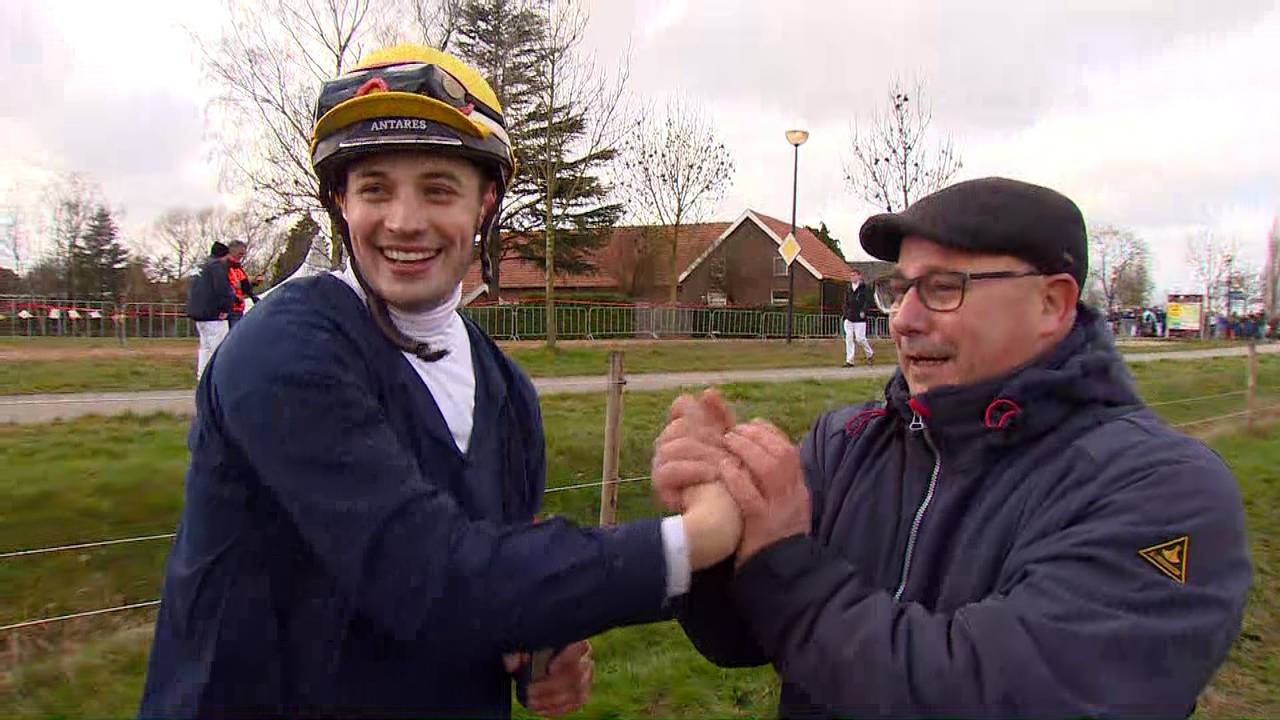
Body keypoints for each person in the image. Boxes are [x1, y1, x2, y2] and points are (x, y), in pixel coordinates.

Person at [140, 44, 743, 718]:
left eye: (438, 188)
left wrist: (537, 650)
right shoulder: (280, 352)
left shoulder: (508, 393)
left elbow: (497, 581)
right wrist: (698, 538)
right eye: (374, 188)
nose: (404, 221)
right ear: (340, 200)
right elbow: (429, 576)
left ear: (486, 202)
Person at [653, 177, 1251, 718]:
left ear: (1052, 304)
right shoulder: (846, 443)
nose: (903, 320)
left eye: (943, 288)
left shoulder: (1162, 492)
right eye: (898, 290)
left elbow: (985, 692)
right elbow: (740, 637)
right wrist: (712, 524)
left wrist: (782, 562)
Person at [185, 241, 235, 380]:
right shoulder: (216, 266)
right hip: (213, 314)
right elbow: (222, 289)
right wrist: (226, 308)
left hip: (198, 313)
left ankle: (202, 376)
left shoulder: (200, 266)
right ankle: (217, 378)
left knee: (205, 347)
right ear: (223, 255)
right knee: (218, 347)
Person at [224, 240, 262, 329]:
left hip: (238, 308)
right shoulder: (225, 267)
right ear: (232, 251)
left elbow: (243, 286)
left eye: (243, 254)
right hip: (230, 308)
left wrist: (253, 282)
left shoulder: (238, 268)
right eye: (240, 254)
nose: (242, 256)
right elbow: (228, 285)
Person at [841, 269, 874, 366]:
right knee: (849, 338)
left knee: (860, 339)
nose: (853, 277)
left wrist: (864, 311)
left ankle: (869, 353)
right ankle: (849, 361)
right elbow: (845, 301)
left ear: (859, 276)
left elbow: (868, 301)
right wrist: (845, 312)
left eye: (854, 275)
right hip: (849, 316)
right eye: (851, 275)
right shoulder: (848, 287)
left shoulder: (864, 288)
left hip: (860, 317)